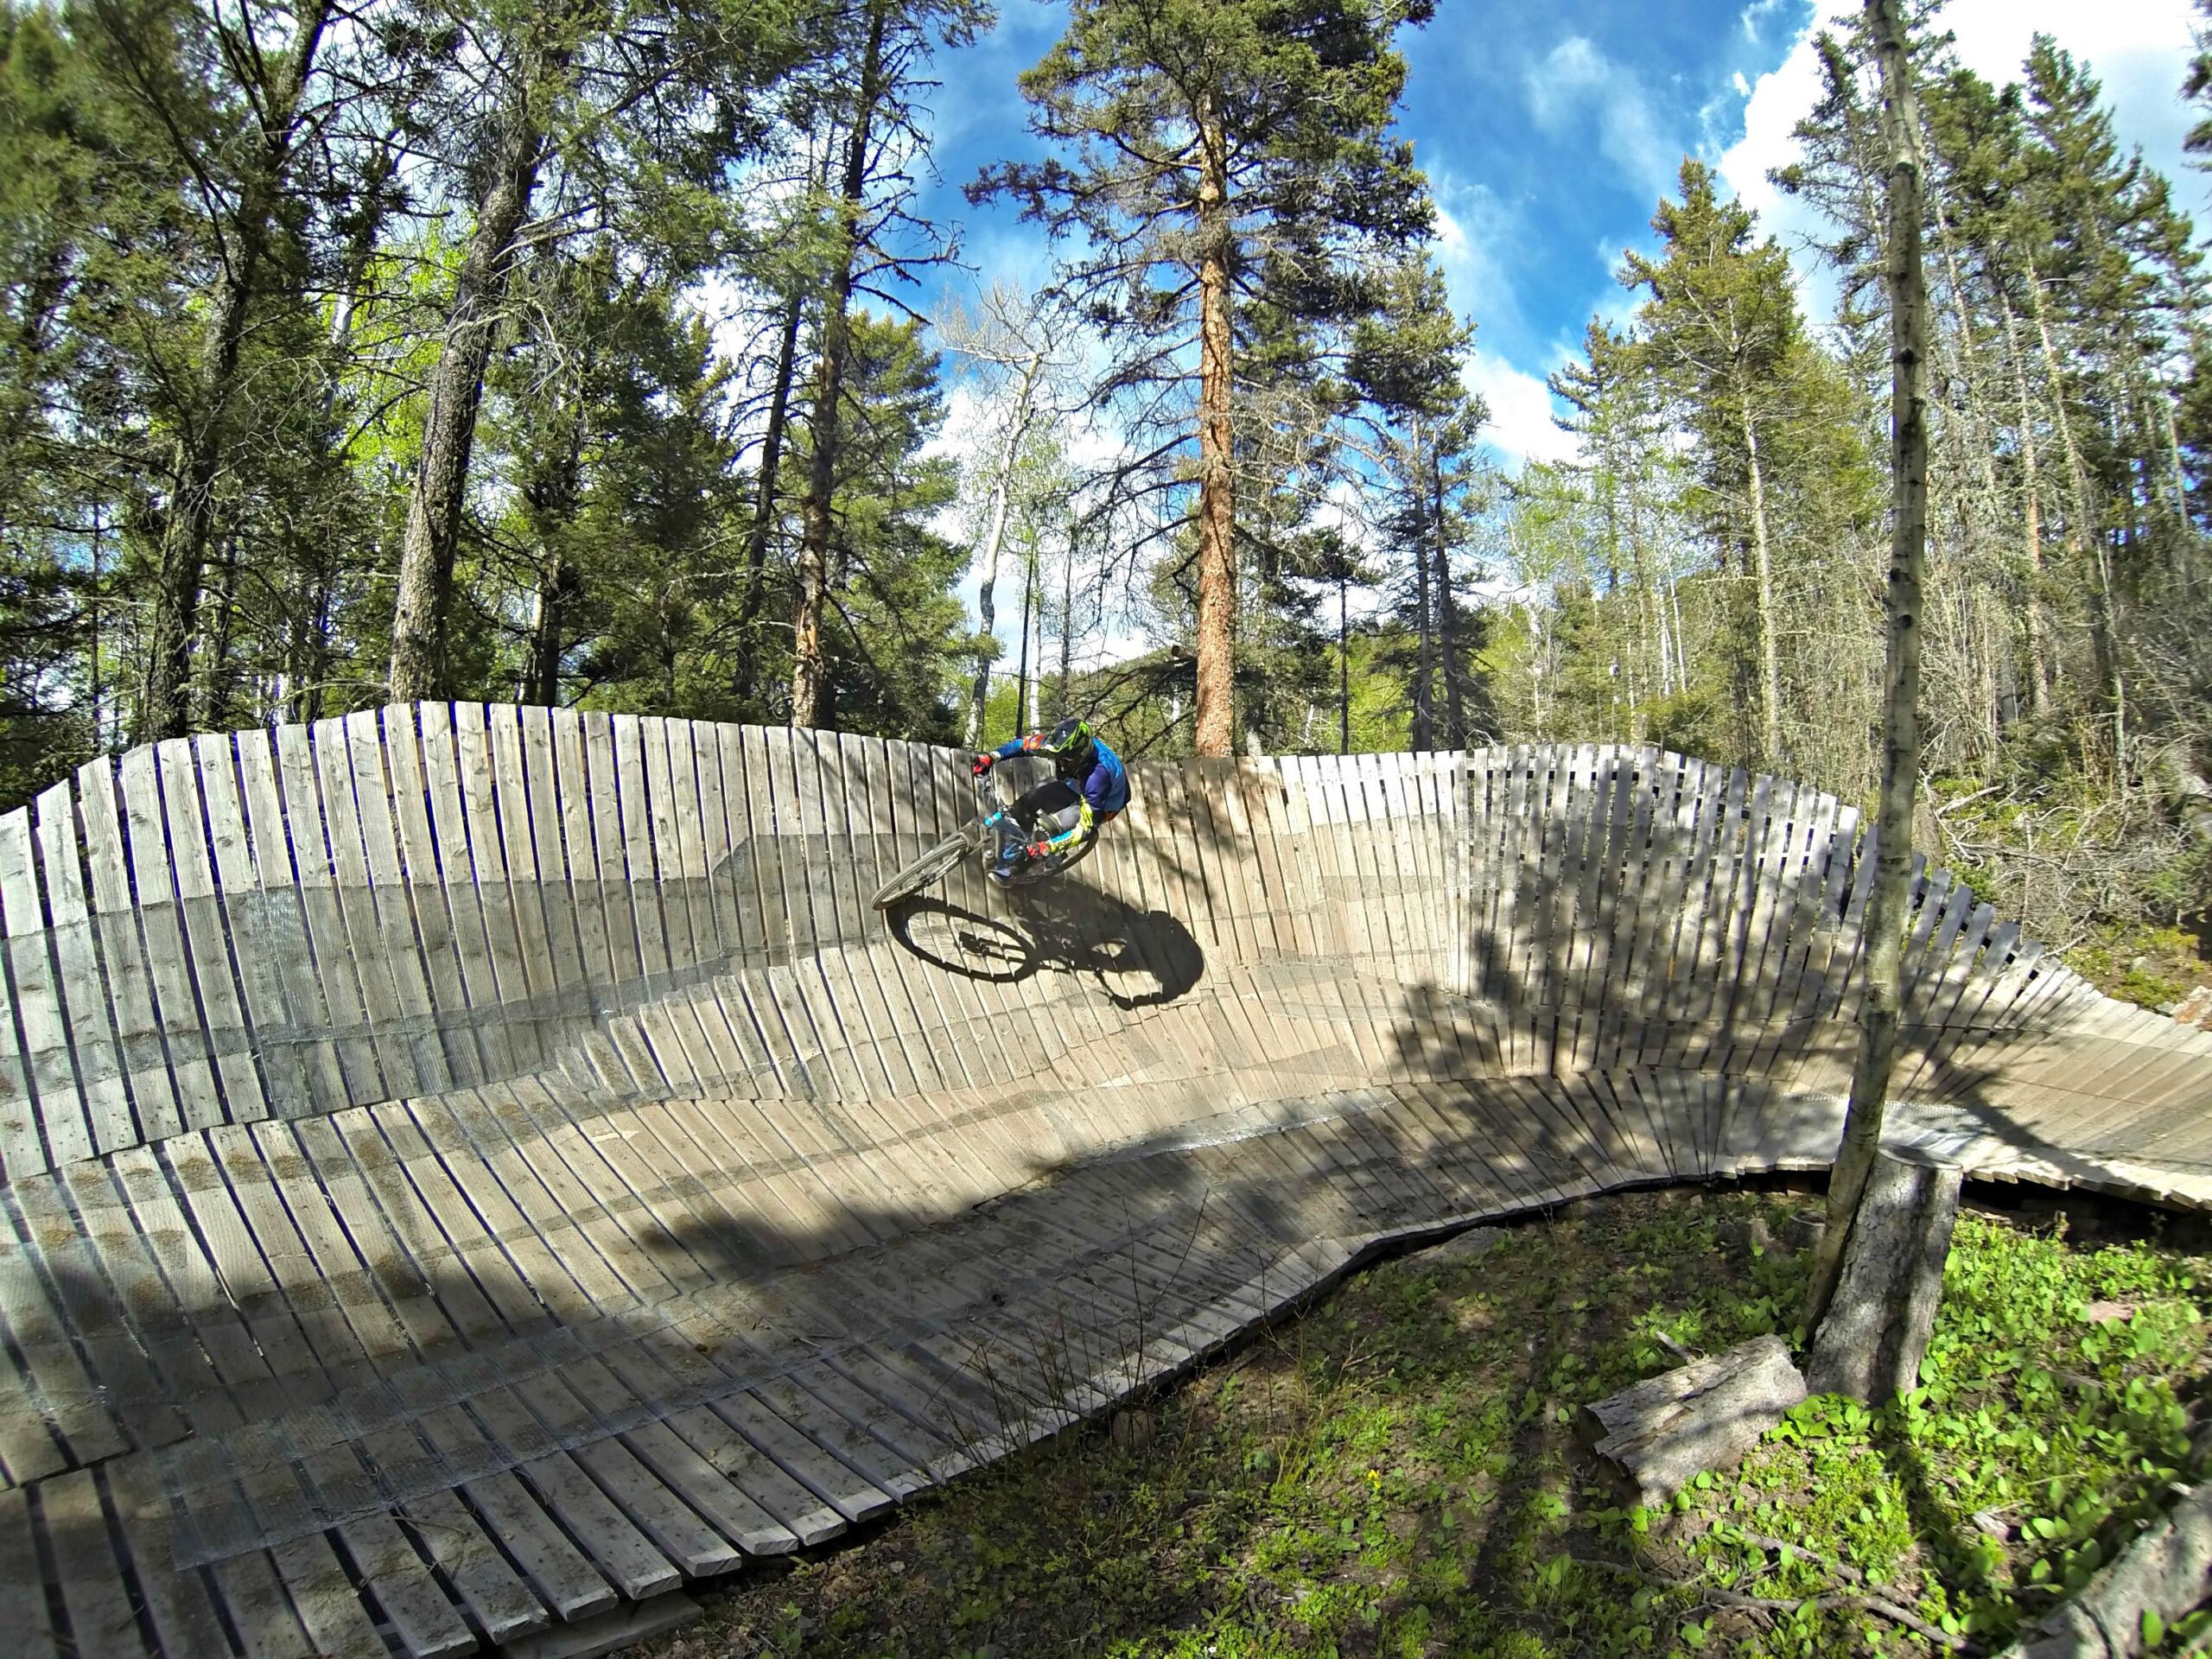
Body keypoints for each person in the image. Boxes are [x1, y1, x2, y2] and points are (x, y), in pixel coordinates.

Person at [971, 716, 1128, 880]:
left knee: (1049, 828)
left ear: (1081, 754)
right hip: (1074, 783)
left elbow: (1085, 829)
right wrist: (991, 757)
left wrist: (1047, 846)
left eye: (1066, 759)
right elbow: (1022, 744)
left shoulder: (1098, 776)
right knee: (1027, 803)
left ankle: (1015, 870)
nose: (1060, 763)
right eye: (1058, 756)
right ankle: (1013, 849)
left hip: (1105, 802)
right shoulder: (1059, 742)